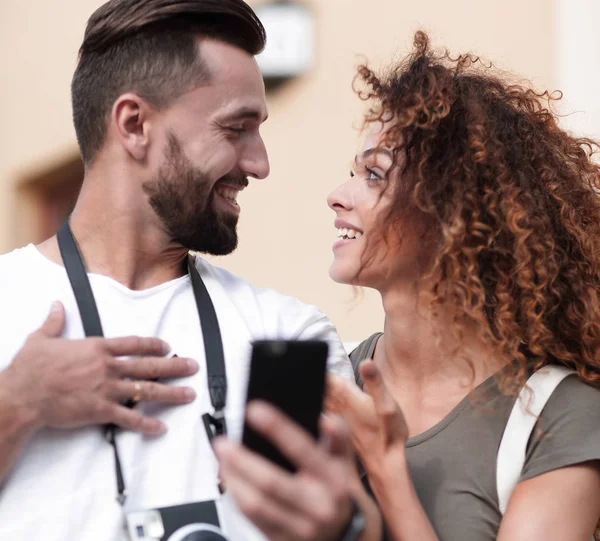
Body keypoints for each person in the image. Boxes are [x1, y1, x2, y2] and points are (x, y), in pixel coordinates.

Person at [216, 31, 600, 541]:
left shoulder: (559, 416)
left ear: (454, 214)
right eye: (352, 172)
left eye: (374, 174)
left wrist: (386, 468)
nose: (337, 196)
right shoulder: (330, 382)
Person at [0, 1, 356, 540]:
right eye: (237, 128)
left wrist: (342, 527)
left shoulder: (292, 335)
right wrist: (16, 405)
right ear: (135, 125)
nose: (259, 164)